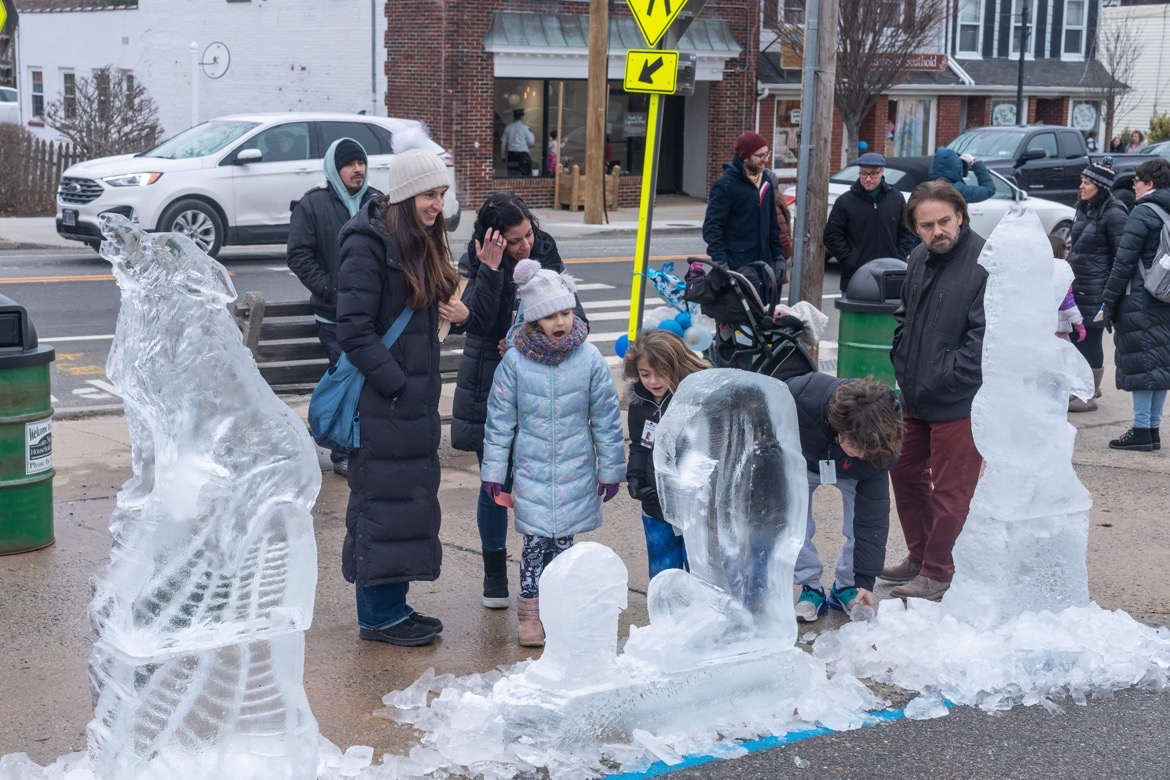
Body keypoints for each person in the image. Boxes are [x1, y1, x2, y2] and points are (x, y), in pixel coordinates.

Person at [335, 127, 469, 647]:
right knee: (380, 506)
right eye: (429, 196)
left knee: (406, 507)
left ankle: (393, 606)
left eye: (441, 195)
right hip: (383, 401)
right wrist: (394, 384)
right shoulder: (369, 243)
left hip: (409, 400)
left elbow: (430, 308)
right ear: (406, 195)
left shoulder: (418, 241)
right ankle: (377, 616)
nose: (438, 204)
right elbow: (353, 329)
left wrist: (461, 310)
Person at [450, 192, 586, 609]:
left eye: (527, 233)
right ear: (493, 238)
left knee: (543, 481)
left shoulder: (544, 248)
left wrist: (534, 340)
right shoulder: (475, 260)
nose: (525, 245)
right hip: (488, 380)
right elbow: (474, 324)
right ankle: (494, 573)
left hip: (542, 382)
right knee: (495, 483)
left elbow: (574, 314)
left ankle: (545, 571)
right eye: (514, 240)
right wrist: (490, 270)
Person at [480, 260, 625, 647]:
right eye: (550, 316)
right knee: (533, 545)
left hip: (576, 469)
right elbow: (499, 421)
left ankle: (558, 612)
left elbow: (606, 418)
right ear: (533, 321)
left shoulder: (590, 358)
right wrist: (494, 470)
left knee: (563, 548)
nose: (560, 321)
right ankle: (530, 616)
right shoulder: (514, 362)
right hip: (531, 469)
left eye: (565, 312)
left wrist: (610, 469)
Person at [883, 180, 987, 602]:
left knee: (951, 489)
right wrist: (902, 358)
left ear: (960, 216)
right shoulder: (919, 257)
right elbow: (905, 315)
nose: (936, 231)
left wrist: (949, 375)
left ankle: (939, 571)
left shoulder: (985, 262)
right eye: (926, 225)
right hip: (915, 392)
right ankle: (921, 555)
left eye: (944, 221)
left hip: (960, 399)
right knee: (903, 470)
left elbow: (985, 338)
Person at [287, 138, 382, 476]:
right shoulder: (313, 205)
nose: (358, 169)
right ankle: (343, 450)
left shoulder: (379, 203)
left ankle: (370, 445)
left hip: (376, 315)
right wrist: (329, 290)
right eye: (349, 164)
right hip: (334, 315)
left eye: (361, 162)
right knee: (346, 380)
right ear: (334, 168)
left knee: (373, 379)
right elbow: (299, 254)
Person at [787, 374, 903, 622]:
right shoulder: (799, 398)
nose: (861, 453)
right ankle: (810, 586)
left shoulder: (879, 447)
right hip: (803, 462)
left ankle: (847, 587)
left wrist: (866, 580)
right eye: (856, 445)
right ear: (839, 428)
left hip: (854, 473)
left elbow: (872, 520)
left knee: (856, 524)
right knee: (794, 521)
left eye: (866, 449)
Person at [622, 330, 711, 578]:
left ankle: (702, 616)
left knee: (701, 572)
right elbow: (639, 445)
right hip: (655, 504)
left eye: (662, 372)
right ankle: (666, 617)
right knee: (664, 571)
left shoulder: (696, 398)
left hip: (695, 504)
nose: (653, 381)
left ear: (677, 365)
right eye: (645, 374)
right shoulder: (640, 402)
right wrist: (635, 478)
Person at [1100, 157, 1170, 452]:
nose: (1134, 186)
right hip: (1165, 295)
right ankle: (1152, 429)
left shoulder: (1142, 213)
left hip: (1140, 298)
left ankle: (1142, 429)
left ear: (1150, 184)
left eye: (1137, 181)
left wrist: (1109, 302)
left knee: (1143, 363)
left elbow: (1123, 262)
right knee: (1160, 363)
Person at [1066, 157, 1129, 412]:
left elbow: (1121, 257)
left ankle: (1088, 395)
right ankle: (1084, 386)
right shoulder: (1084, 207)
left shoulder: (1115, 213)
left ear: (1100, 186)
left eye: (1086, 182)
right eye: (1081, 181)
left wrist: (1112, 293)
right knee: (1076, 337)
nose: (1081, 186)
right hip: (1077, 285)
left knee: (1090, 339)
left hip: (1098, 288)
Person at [822, 151, 916, 292]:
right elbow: (832, 235)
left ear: (882, 172)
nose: (868, 179)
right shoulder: (845, 201)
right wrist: (850, 260)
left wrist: (898, 258)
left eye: (873, 174)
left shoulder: (896, 198)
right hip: (855, 275)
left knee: (889, 314)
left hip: (890, 274)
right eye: (863, 173)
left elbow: (907, 231)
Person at [702, 131, 784, 275]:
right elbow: (712, 227)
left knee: (763, 298)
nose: (765, 159)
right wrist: (720, 262)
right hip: (738, 265)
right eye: (760, 156)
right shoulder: (725, 185)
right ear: (745, 157)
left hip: (764, 264)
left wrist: (778, 256)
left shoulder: (766, 181)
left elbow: (773, 224)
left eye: (767, 154)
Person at [1050, 235, 1085, 344]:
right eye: (1065, 248)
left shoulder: (1040, 269)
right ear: (1059, 251)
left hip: (1043, 328)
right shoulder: (1062, 272)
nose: (1068, 251)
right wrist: (1079, 324)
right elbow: (1067, 302)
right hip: (1058, 330)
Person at [928, 148, 996, 205]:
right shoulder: (957, 190)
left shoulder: (926, 187)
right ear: (956, 167)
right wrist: (974, 163)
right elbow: (989, 189)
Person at [501, 109, 535, 176]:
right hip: (523, 154)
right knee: (525, 176)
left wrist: (503, 156)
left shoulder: (508, 128)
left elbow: (503, 143)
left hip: (511, 154)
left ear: (514, 117)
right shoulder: (525, 128)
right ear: (522, 117)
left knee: (512, 175)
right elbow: (531, 141)